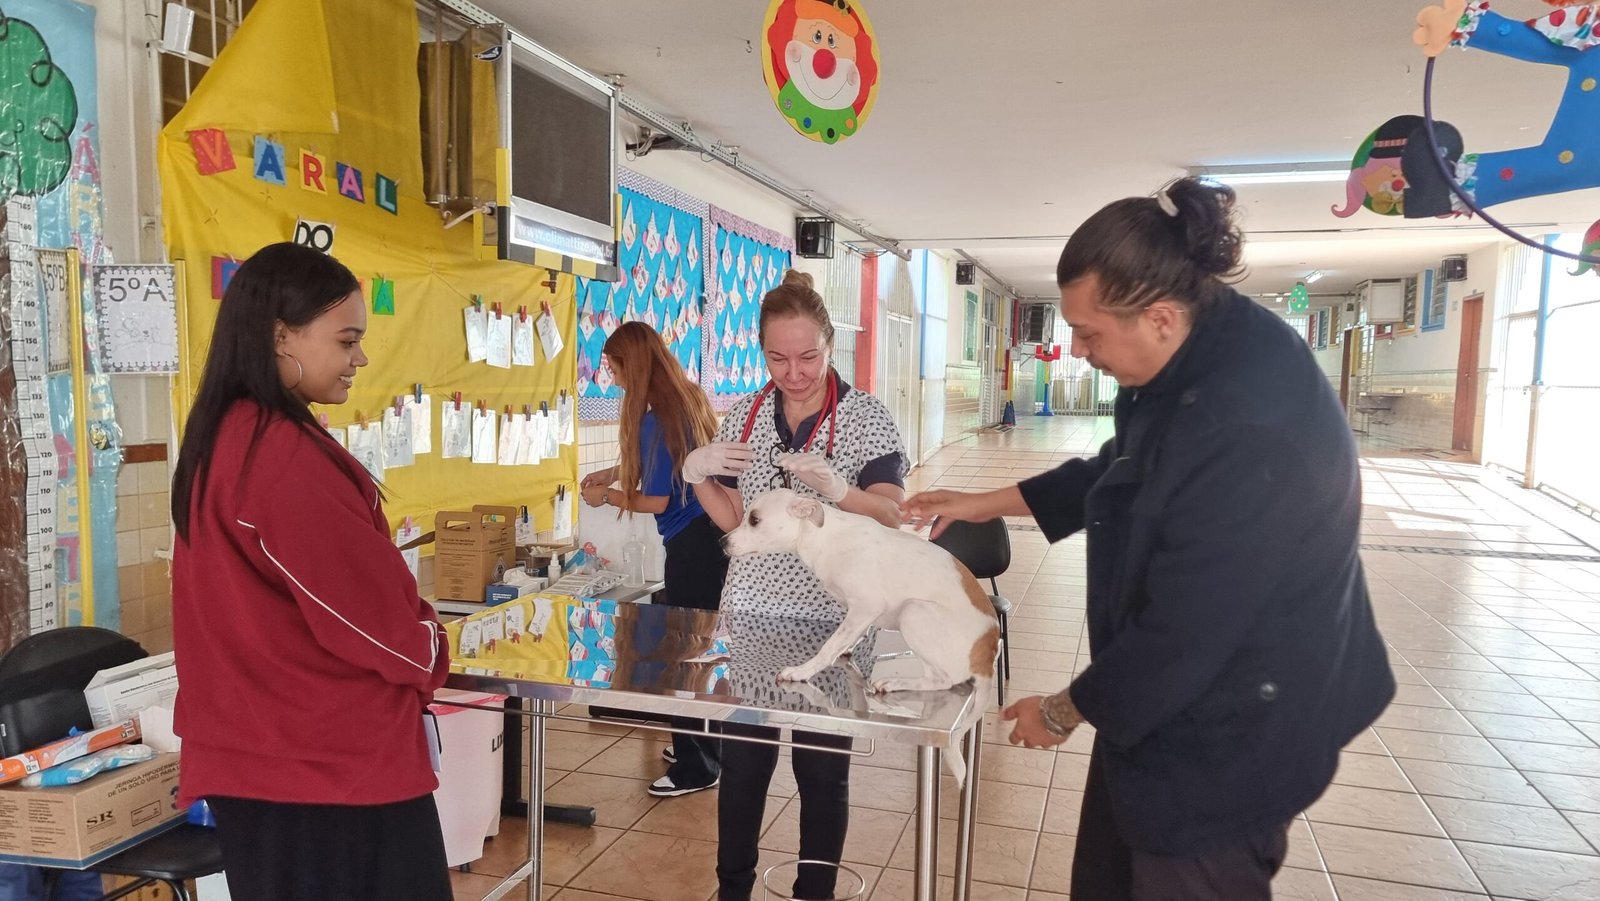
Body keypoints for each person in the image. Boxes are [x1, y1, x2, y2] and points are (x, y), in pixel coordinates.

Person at [903, 178, 1395, 901]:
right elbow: (1123, 468)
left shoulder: (1248, 427)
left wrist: (1061, 710)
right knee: (1108, 871)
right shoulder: (1194, 344)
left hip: (1241, 723)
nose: (1078, 348)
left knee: (1179, 863)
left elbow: (1183, 634)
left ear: (1159, 317)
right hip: (1172, 698)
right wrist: (983, 501)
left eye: (1091, 333)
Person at [170, 243, 452, 901]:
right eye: (347, 339)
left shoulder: (225, 434)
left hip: (268, 760)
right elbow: (377, 625)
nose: (360, 358)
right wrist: (432, 648)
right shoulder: (281, 457)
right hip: (327, 768)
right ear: (279, 336)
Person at [682, 270, 908, 901]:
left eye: (808, 356)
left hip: (832, 621)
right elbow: (734, 519)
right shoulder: (747, 416)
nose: (795, 372)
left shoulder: (866, 419)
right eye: (778, 358)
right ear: (762, 353)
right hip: (751, 614)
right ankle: (732, 892)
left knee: (820, 767)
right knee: (745, 765)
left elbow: (891, 514)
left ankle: (815, 894)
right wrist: (696, 472)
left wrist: (840, 490)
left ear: (830, 346)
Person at [581, 321, 729, 797]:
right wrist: (613, 471)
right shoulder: (685, 397)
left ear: (634, 364)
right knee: (699, 649)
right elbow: (655, 460)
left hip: (691, 547)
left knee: (680, 655)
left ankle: (697, 767)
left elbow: (658, 501)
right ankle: (705, 747)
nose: (614, 377)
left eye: (616, 367)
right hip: (709, 539)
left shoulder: (655, 416)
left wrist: (609, 497)